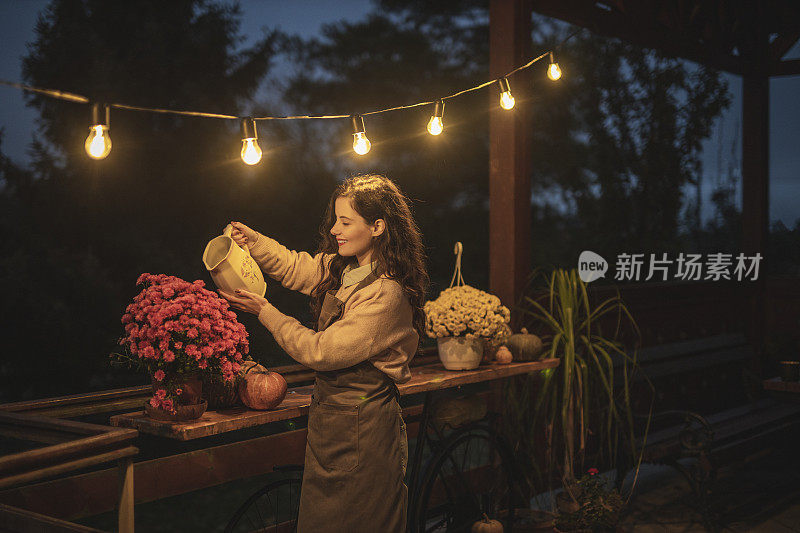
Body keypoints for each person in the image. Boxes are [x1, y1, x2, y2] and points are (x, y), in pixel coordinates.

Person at [218, 174, 429, 533]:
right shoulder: (345, 268)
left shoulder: (385, 294)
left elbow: (320, 351)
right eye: (336, 220)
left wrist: (264, 311)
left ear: (377, 226)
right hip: (333, 423)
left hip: (366, 426)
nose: (335, 229)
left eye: (346, 222)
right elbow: (294, 266)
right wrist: (254, 242)